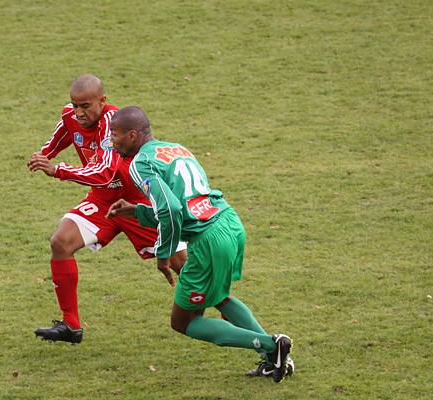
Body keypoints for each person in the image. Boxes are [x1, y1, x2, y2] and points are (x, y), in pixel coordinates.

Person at [106, 106, 294, 383]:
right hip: (228, 222)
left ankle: (271, 345)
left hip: (208, 240)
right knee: (218, 297)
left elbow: (170, 209)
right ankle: (277, 360)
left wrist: (164, 254)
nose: (112, 141)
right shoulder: (175, 149)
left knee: (183, 322)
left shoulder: (139, 164)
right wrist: (136, 211)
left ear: (133, 135)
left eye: (116, 135)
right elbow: (185, 203)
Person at [27, 75, 186, 345]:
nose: (79, 113)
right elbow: (64, 133)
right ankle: (71, 326)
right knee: (61, 242)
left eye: (86, 106)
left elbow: (104, 173)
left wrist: (58, 171)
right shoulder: (71, 115)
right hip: (103, 202)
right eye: (74, 105)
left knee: (182, 264)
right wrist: (45, 154)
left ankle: (226, 308)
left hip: (137, 204)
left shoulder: (113, 126)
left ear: (103, 101)